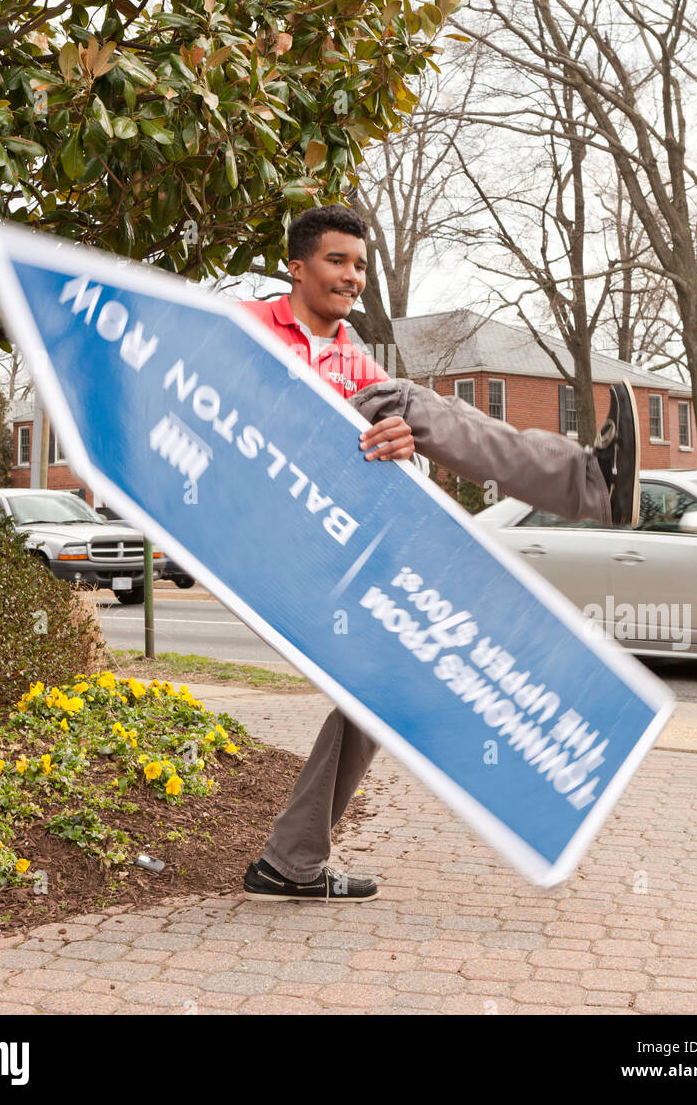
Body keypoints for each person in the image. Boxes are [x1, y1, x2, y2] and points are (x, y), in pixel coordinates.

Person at [241, 204, 639, 904]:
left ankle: (289, 862)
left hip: (339, 533)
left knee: (380, 689)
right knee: (411, 402)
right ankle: (589, 480)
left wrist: (396, 450)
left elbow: (381, 461)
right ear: (297, 267)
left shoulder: (352, 356)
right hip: (274, 518)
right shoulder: (250, 330)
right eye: (338, 261)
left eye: (360, 266)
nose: (353, 278)